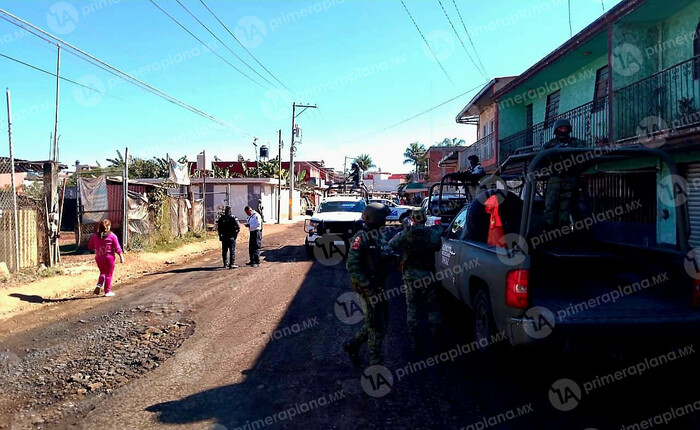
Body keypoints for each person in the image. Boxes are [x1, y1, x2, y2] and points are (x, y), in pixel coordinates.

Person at [343, 202, 392, 366]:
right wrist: (367, 287)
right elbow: (352, 266)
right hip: (368, 289)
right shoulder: (360, 237)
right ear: (376, 218)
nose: (386, 221)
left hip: (378, 286)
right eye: (384, 218)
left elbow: (383, 254)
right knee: (376, 327)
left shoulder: (378, 234)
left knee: (377, 322)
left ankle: (353, 345)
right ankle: (375, 366)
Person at [388, 208, 443, 351]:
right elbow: (437, 246)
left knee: (412, 307)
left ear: (412, 219)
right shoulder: (431, 234)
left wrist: (397, 260)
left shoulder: (405, 233)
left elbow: (390, 246)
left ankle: (414, 340)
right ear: (424, 219)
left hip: (410, 277)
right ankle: (437, 338)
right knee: (432, 308)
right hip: (428, 276)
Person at [542, 118, 587, 228]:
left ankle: (563, 232)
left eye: (565, 128)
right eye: (561, 128)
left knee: (565, 207)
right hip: (555, 178)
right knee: (550, 206)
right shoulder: (550, 144)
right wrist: (554, 151)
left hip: (570, 178)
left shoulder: (575, 142)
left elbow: (583, 151)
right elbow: (541, 156)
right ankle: (548, 231)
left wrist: (569, 150)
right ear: (556, 130)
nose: (563, 130)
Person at [88, 219, 124, 297]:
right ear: (108, 227)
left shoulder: (95, 236)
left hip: (99, 258)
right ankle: (107, 291)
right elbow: (117, 247)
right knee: (108, 274)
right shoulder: (112, 236)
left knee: (102, 272)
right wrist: (121, 256)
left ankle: (99, 285)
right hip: (109, 258)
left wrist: (97, 247)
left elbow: (90, 247)